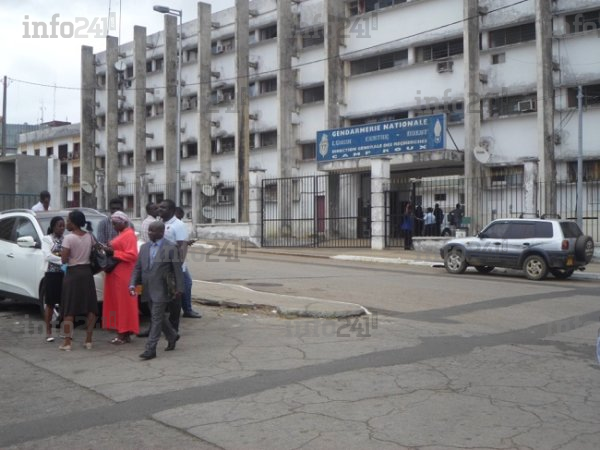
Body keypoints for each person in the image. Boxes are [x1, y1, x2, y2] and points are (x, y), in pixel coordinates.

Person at [130, 221, 184, 361]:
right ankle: (172, 335)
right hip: (147, 289)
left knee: (155, 319)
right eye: (149, 230)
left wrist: (179, 288)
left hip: (162, 289)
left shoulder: (170, 247)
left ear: (161, 232)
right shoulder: (144, 248)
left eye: (152, 231)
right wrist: (132, 284)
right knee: (158, 317)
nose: (149, 233)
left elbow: (177, 270)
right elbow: (137, 268)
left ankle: (150, 349)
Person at [59, 210, 99, 351]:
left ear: (74, 223)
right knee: (90, 307)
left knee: (69, 308)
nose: (66, 223)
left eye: (68, 221)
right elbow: (95, 251)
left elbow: (64, 259)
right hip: (87, 273)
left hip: (73, 274)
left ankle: (67, 342)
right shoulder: (89, 236)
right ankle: (88, 340)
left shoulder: (68, 238)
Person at [159, 199, 201, 325]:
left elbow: (182, 246)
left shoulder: (178, 225)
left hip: (175, 264)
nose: (160, 209)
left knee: (183, 286)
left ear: (171, 210)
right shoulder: (160, 223)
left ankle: (184, 312)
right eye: (159, 207)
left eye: (163, 207)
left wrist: (178, 266)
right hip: (162, 263)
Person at [101, 211, 140, 344]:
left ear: (124, 222)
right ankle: (125, 333)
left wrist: (113, 252)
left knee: (123, 304)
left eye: (115, 224)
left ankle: (122, 333)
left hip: (124, 274)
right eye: (112, 224)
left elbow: (132, 255)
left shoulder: (129, 235)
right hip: (116, 273)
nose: (113, 226)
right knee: (118, 304)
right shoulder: (122, 234)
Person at [41, 216, 65, 342]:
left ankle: (62, 329)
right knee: (50, 303)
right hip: (51, 274)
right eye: (59, 225)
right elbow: (47, 255)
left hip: (64, 274)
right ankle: (48, 331)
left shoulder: (65, 239)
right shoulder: (47, 239)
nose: (62, 228)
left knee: (63, 303)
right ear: (53, 226)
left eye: (63, 225)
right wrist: (62, 260)